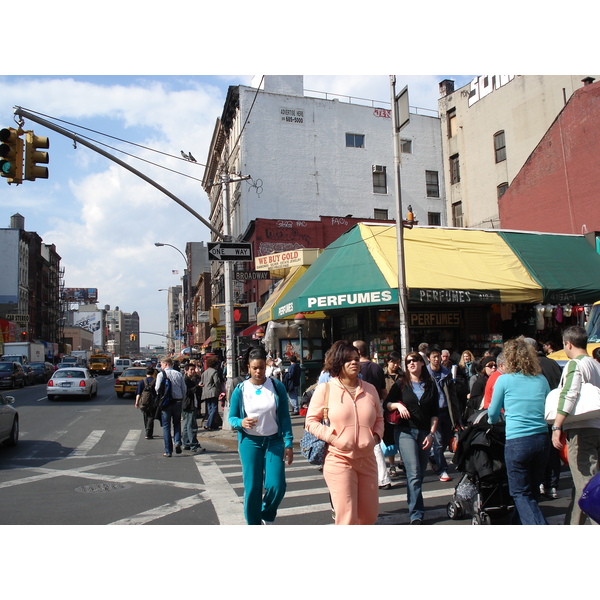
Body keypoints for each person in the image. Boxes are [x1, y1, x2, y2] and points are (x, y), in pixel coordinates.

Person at [305, 340, 384, 525]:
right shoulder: (326, 389)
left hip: (367, 459)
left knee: (369, 516)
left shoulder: (370, 389)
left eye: (356, 359)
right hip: (338, 458)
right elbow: (310, 422)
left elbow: (380, 419)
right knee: (347, 517)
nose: (354, 363)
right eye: (348, 360)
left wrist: (375, 438)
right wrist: (334, 439)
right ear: (338, 363)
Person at [488, 336, 551, 525]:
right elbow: (548, 407)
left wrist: (496, 420)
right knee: (530, 492)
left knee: (520, 492)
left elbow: (492, 412)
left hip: (518, 439)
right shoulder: (541, 379)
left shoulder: (504, 380)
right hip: (541, 438)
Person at [228, 346, 294, 525]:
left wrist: (288, 443)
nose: (259, 371)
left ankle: (266, 513)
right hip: (250, 442)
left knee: (277, 485)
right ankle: (254, 523)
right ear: (248, 368)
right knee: (252, 488)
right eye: (255, 368)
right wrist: (240, 422)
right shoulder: (240, 389)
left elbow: (284, 417)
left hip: (274, 441)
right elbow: (231, 417)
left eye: (262, 367)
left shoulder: (276, 386)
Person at [552, 325, 600, 525]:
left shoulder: (575, 365)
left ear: (567, 344)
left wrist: (557, 426)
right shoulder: (596, 364)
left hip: (582, 429)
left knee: (586, 487)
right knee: (585, 484)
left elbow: (569, 394)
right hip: (596, 427)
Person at [385, 351, 439, 524]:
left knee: (420, 473)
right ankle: (416, 513)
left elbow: (435, 413)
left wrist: (432, 434)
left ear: (422, 363)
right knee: (414, 472)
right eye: (408, 361)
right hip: (405, 432)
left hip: (424, 433)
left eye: (415, 360)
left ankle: (415, 503)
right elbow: (387, 404)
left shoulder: (430, 384)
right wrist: (397, 406)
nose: (411, 363)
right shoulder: (401, 383)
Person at [353, 340, 391, 490]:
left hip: (363, 407)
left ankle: (382, 477)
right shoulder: (377, 367)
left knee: (372, 442)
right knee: (373, 440)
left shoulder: (357, 368)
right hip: (378, 405)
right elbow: (383, 390)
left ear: (358, 352)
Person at [427, 346, 461, 482]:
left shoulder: (446, 373)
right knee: (439, 441)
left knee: (446, 439)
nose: (437, 359)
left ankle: (434, 457)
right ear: (429, 358)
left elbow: (452, 396)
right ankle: (442, 469)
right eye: (434, 357)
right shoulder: (425, 374)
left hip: (446, 410)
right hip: (433, 412)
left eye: (438, 356)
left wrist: (457, 417)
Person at [155, 357, 187, 457]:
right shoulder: (178, 374)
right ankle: (177, 442)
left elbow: (157, 389)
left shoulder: (161, 375)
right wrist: (181, 398)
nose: (161, 367)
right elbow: (184, 389)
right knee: (177, 423)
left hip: (166, 403)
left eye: (161, 364)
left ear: (165, 364)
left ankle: (168, 451)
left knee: (166, 426)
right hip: (177, 401)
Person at [182, 363, 205, 452]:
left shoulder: (192, 379)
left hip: (192, 403)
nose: (193, 371)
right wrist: (197, 387)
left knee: (187, 424)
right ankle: (194, 445)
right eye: (191, 370)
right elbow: (187, 392)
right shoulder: (185, 380)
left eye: (193, 369)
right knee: (191, 425)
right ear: (186, 371)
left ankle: (186, 443)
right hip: (188, 404)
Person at [201, 355, 221, 431]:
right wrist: (219, 389)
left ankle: (211, 425)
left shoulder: (204, 372)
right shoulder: (214, 372)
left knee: (209, 409)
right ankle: (208, 424)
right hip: (213, 391)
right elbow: (216, 381)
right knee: (214, 408)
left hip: (206, 392)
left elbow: (202, 382)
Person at [135, 366, 157, 439]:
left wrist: (137, 402)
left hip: (144, 402)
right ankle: (149, 433)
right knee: (151, 417)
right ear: (153, 373)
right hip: (153, 402)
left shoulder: (142, 381)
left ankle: (147, 430)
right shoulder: (156, 381)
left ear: (146, 373)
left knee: (145, 416)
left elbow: (138, 393)